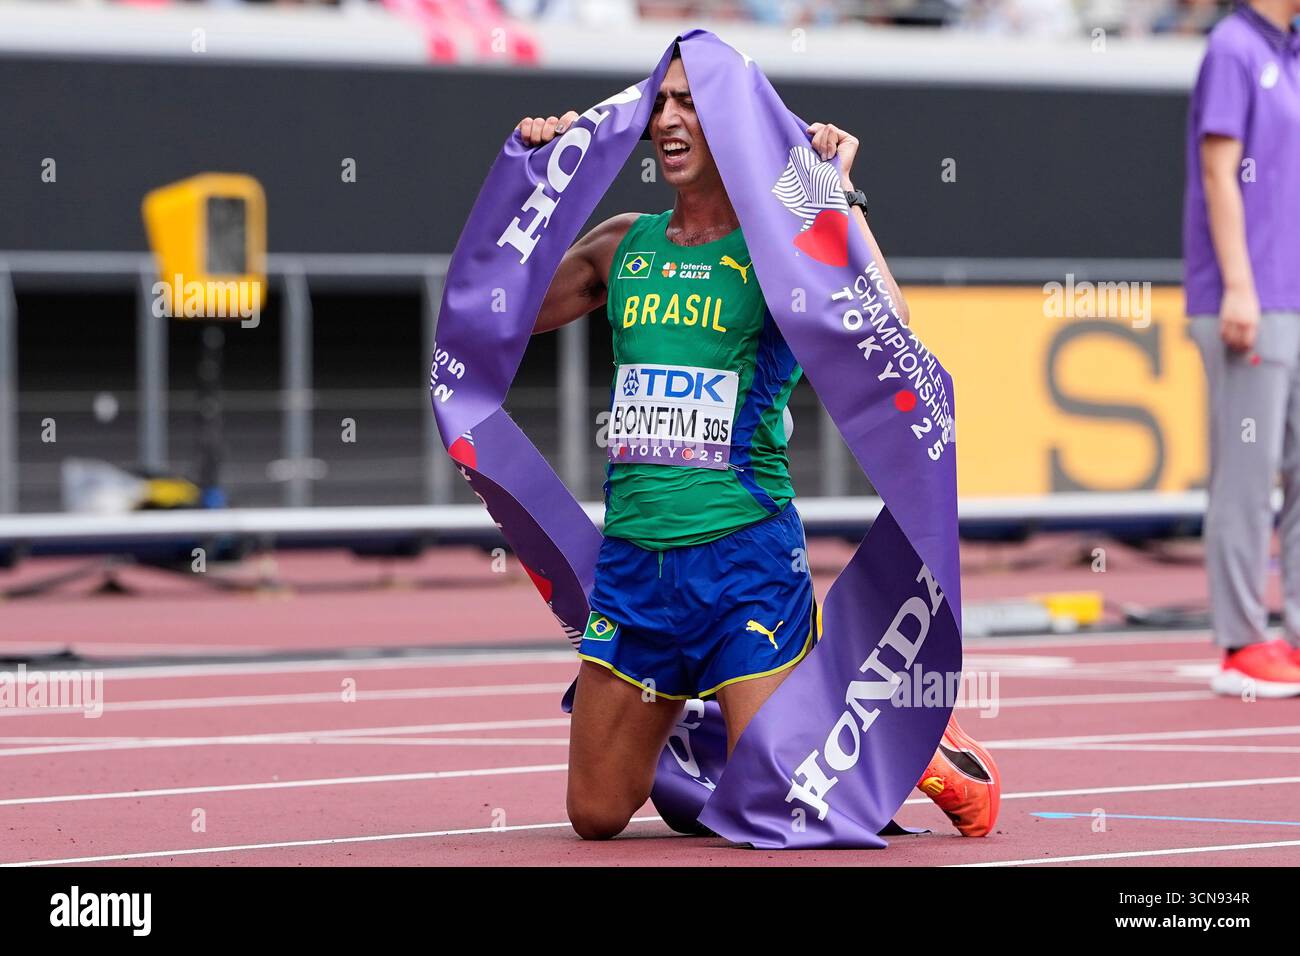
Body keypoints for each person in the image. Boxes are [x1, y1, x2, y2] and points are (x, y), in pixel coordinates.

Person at [519, 46, 1000, 840]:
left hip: (744, 563)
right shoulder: (619, 245)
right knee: (596, 815)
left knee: (774, 816)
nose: (671, 118)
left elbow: (888, 325)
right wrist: (547, 184)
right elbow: (505, 316)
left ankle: (927, 749)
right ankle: (729, 710)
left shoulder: (780, 250)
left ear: (734, 121)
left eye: (693, 103)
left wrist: (837, 198)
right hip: (635, 568)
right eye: (661, 103)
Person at [1185, 0, 1300, 697]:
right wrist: (1237, 286)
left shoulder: (1290, 50)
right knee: (1247, 477)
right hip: (1250, 298)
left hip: (1294, 293)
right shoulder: (1233, 48)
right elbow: (1218, 172)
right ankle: (1242, 641)